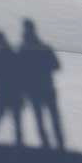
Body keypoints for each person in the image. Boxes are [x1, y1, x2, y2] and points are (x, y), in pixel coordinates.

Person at [20, 19, 65, 150]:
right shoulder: (44, 47)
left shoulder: (24, 50)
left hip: (36, 89)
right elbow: (56, 65)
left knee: (41, 118)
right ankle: (59, 146)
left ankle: (48, 146)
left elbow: (20, 72)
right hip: (46, 87)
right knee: (51, 118)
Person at [0, 31, 23, 146]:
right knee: (17, 122)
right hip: (15, 93)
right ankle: (19, 146)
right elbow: (22, 74)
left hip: (2, 92)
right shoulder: (14, 54)